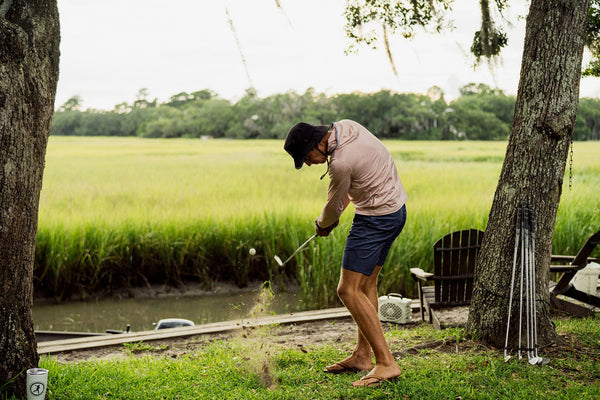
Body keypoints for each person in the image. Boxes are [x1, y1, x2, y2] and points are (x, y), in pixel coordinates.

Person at [284, 119, 408, 388]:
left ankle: (386, 362)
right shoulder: (346, 127)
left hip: (375, 219)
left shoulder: (339, 163)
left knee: (347, 290)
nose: (308, 163)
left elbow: (333, 206)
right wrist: (335, 213)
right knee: (365, 285)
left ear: (318, 144)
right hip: (396, 211)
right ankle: (363, 356)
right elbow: (354, 184)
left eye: (306, 157)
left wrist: (323, 224)